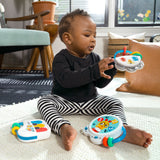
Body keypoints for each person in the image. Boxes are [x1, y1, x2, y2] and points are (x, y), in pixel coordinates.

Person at [37, 9, 152, 151]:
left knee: (115, 102)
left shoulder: (95, 58)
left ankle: (121, 128)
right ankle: (63, 127)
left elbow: (100, 84)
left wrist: (114, 67)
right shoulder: (60, 59)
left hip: (90, 101)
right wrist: (94, 70)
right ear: (68, 38)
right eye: (87, 35)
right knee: (44, 102)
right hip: (64, 101)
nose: (93, 39)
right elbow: (67, 80)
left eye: (94, 35)